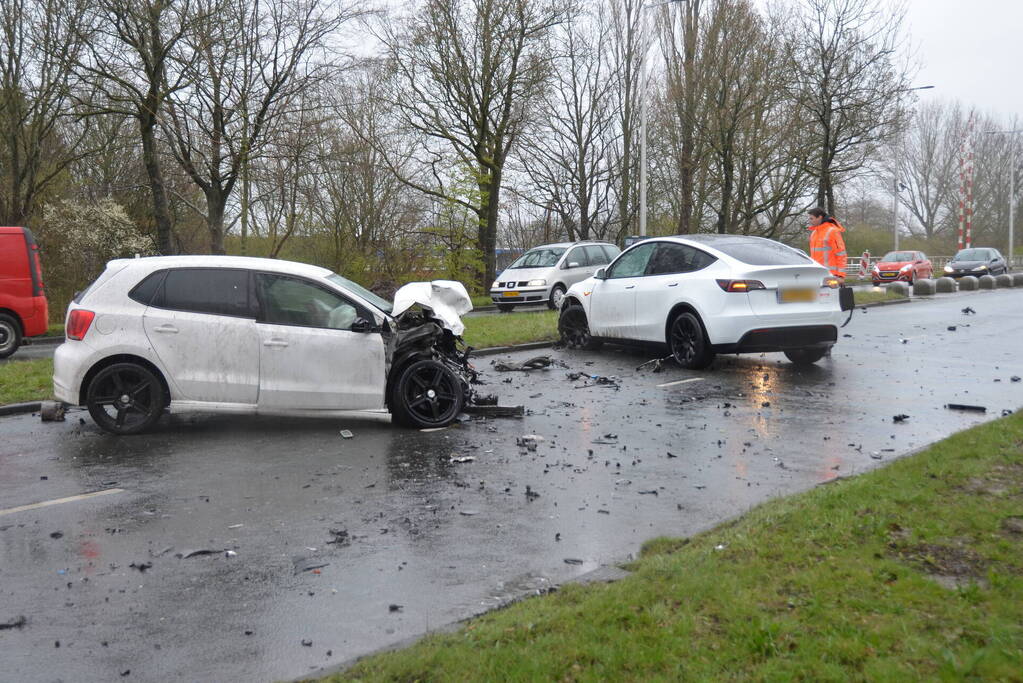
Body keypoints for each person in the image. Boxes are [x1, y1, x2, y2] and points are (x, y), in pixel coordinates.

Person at [807, 207, 847, 280]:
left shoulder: (832, 231)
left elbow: (841, 254)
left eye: (811, 218)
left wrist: (841, 275)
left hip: (831, 275)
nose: (810, 221)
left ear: (820, 217)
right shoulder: (814, 233)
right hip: (816, 274)